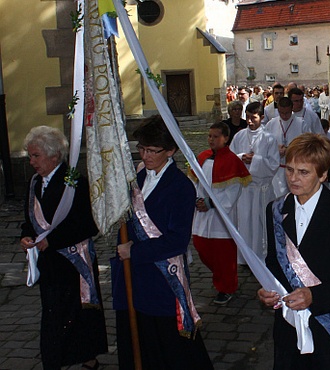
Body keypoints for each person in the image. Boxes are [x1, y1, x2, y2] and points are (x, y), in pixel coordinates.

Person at [257, 133, 330, 369]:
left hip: (329, 329)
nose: (293, 178)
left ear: (322, 175)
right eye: (289, 170)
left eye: (303, 172)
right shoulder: (276, 210)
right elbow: (273, 263)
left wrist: (315, 297)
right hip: (288, 330)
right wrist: (265, 291)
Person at [112, 116, 213, 369]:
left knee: (167, 347)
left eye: (152, 150)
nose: (145, 155)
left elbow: (177, 242)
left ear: (170, 151)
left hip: (161, 281)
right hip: (131, 276)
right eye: (142, 148)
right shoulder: (136, 177)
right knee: (137, 343)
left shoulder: (181, 187)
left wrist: (134, 251)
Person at [21, 126, 107, 370]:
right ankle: (54, 359)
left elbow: (89, 224)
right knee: (52, 312)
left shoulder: (75, 183)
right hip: (48, 263)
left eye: (36, 156)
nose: (31, 162)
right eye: (30, 156)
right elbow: (29, 219)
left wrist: (54, 240)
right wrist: (26, 236)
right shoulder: (35, 183)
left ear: (54, 155)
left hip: (73, 262)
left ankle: (87, 356)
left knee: (79, 311)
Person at [192, 122, 251, 305]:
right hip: (202, 213)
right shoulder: (202, 158)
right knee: (201, 246)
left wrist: (212, 203)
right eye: (210, 136)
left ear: (226, 138)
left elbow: (234, 190)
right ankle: (220, 277)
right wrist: (197, 200)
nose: (211, 139)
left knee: (223, 254)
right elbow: (194, 183)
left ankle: (227, 287)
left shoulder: (232, 160)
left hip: (221, 216)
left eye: (216, 136)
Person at [230, 102, 280, 262]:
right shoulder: (239, 136)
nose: (250, 121)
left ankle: (262, 256)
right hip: (245, 189)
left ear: (262, 118)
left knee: (261, 224)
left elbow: (273, 165)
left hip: (261, 189)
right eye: (248, 117)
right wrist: (240, 157)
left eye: (254, 118)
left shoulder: (269, 138)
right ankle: (245, 257)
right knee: (244, 222)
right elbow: (230, 158)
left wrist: (255, 160)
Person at [265, 97, 323, 198]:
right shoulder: (271, 124)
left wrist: (290, 149)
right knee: (277, 197)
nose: (284, 116)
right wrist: (275, 149)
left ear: (292, 109)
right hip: (277, 169)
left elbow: (309, 144)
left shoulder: (301, 123)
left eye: (287, 112)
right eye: (281, 113)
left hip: (297, 168)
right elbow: (265, 145)